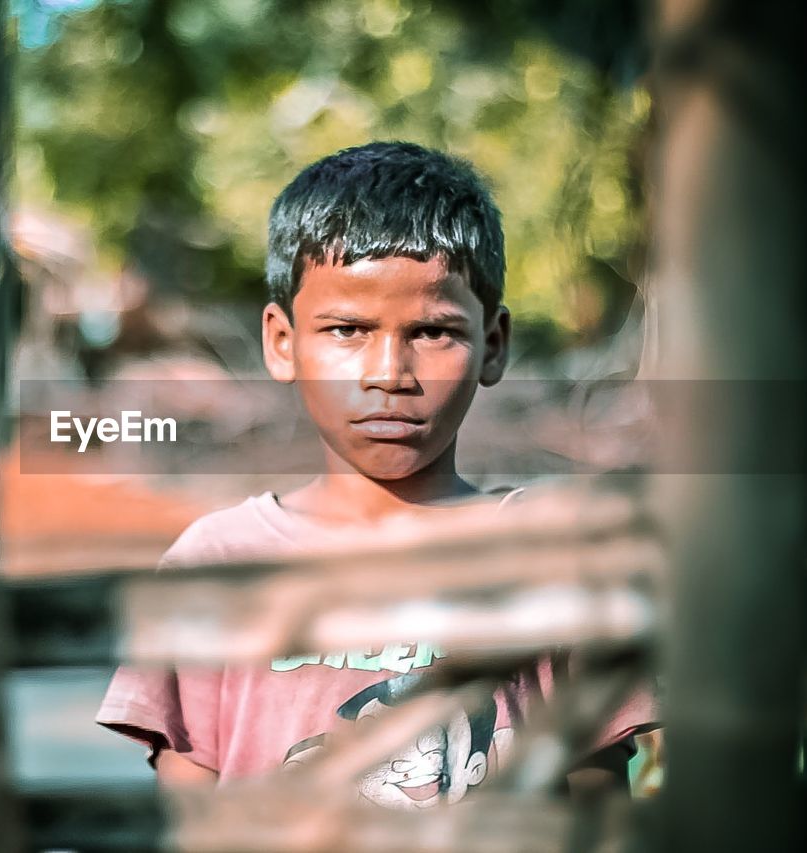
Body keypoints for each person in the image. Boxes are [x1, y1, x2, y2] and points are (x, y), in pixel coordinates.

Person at [95, 141, 654, 803]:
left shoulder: (554, 555)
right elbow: (189, 819)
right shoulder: (216, 560)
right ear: (282, 342)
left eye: (433, 332)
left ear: (493, 345)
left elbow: (599, 809)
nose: (389, 373)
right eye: (347, 329)